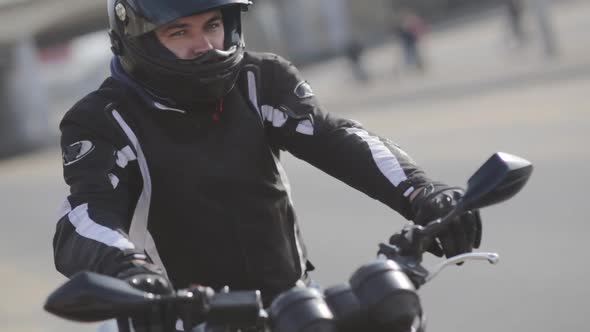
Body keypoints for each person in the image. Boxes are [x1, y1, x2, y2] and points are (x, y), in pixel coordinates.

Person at [53, 0, 482, 326]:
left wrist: (421, 192)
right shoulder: (101, 121)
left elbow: (332, 136)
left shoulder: (260, 80)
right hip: (173, 317)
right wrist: (129, 272)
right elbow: (87, 216)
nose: (204, 46)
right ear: (138, 39)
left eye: (213, 25)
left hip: (292, 307)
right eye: (179, 31)